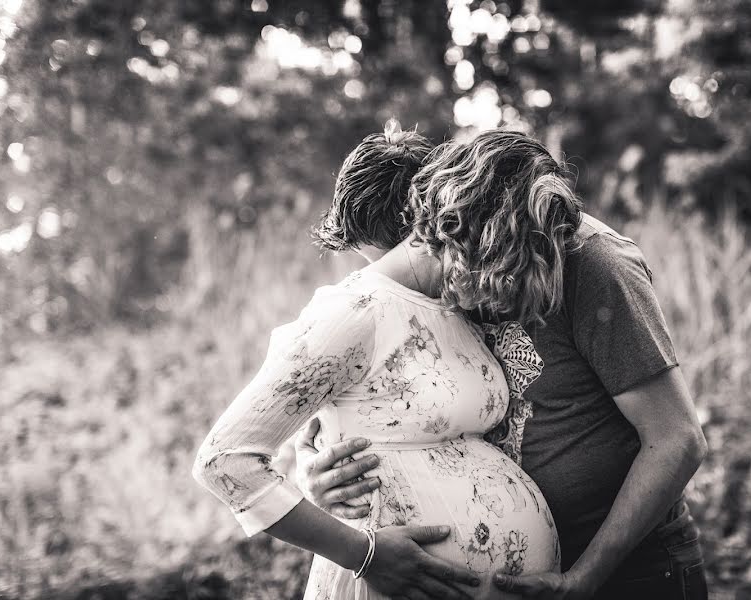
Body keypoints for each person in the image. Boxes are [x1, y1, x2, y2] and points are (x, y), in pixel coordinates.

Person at [297, 129, 709, 599]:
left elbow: (677, 439)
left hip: (626, 572)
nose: (424, 288)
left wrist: (586, 577)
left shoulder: (595, 265)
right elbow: (357, 413)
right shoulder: (441, 260)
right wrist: (313, 472)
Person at [191, 125, 574, 600]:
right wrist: (364, 553)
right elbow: (224, 460)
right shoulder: (352, 310)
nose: (507, 287)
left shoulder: (458, 307)